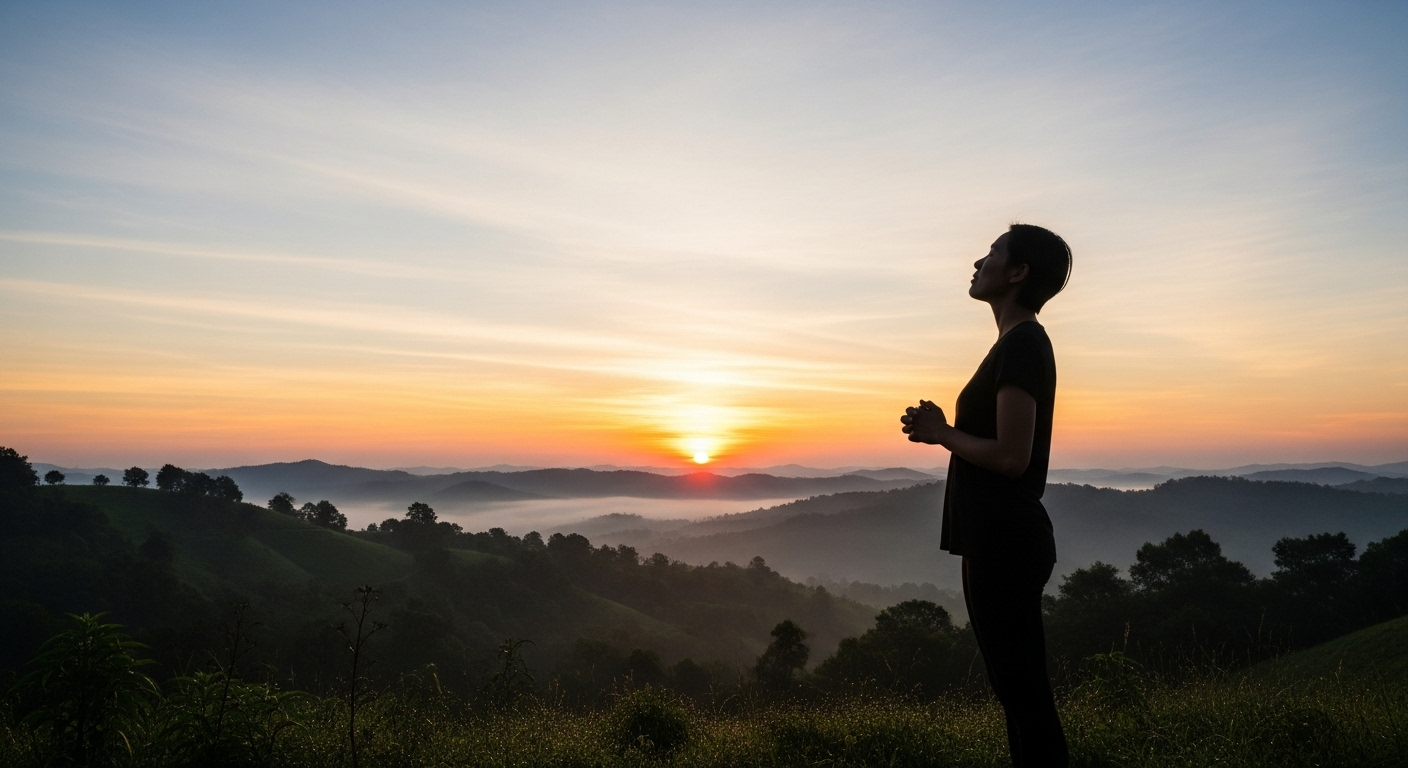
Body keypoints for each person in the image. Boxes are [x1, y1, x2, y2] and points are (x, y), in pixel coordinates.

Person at [900, 223, 1072, 768]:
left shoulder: (1021, 345)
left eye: (993, 252)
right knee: (1017, 695)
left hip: (1005, 541)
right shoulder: (1014, 344)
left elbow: (1011, 457)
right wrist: (941, 431)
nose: (979, 262)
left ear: (1018, 272)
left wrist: (942, 433)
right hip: (993, 539)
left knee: (1025, 699)